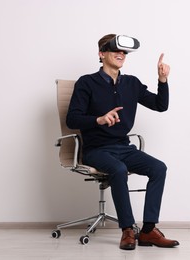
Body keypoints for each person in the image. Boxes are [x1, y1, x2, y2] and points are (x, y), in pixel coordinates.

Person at [66, 34, 179, 250]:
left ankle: (147, 231)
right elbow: (72, 119)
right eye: (115, 50)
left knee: (158, 168)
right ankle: (128, 230)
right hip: (96, 149)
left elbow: (160, 105)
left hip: (123, 147)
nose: (121, 54)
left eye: (124, 52)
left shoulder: (131, 83)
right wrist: (98, 119)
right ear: (101, 54)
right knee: (118, 170)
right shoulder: (86, 82)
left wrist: (162, 80)